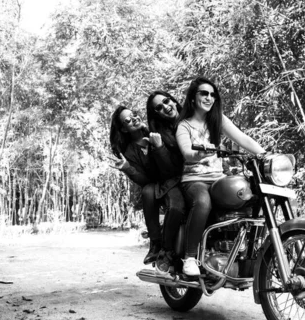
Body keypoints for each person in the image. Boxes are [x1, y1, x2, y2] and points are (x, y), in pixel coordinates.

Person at [175, 76, 266, 276]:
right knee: (203, 202)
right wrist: (199, 153)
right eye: (204, 93)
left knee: (250, 196)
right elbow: (186, 153)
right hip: (194, 180)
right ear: (193, 98)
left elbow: (241, 137)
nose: (209, 97)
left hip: (217, 178)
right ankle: (190, 257)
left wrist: (264, 154)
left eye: (212, 94)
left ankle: (247, 250)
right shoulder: (184, 125)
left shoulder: (217, 120)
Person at [109, 105, 184, 269]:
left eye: (134, 114)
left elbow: (174, 158)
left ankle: (161, 245)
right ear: (124, 128)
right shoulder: (130, 151)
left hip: (178, 177)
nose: (134, 118)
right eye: (128, 120)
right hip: (160, 185)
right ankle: (158, 245)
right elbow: (146, 180)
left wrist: (153, 137)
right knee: (149, 190)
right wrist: (129, 168)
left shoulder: (156, 130)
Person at [145, 91, 185, 272]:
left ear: (174, 101)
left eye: (166, 101)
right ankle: (166, 251)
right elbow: (168, 170)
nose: (165, 107)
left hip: (199, 175)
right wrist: (160, 147)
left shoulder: (193, 120)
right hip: (172, 182)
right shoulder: (156, 136)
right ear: (156, 114)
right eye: (159, 108)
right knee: (177, 207)